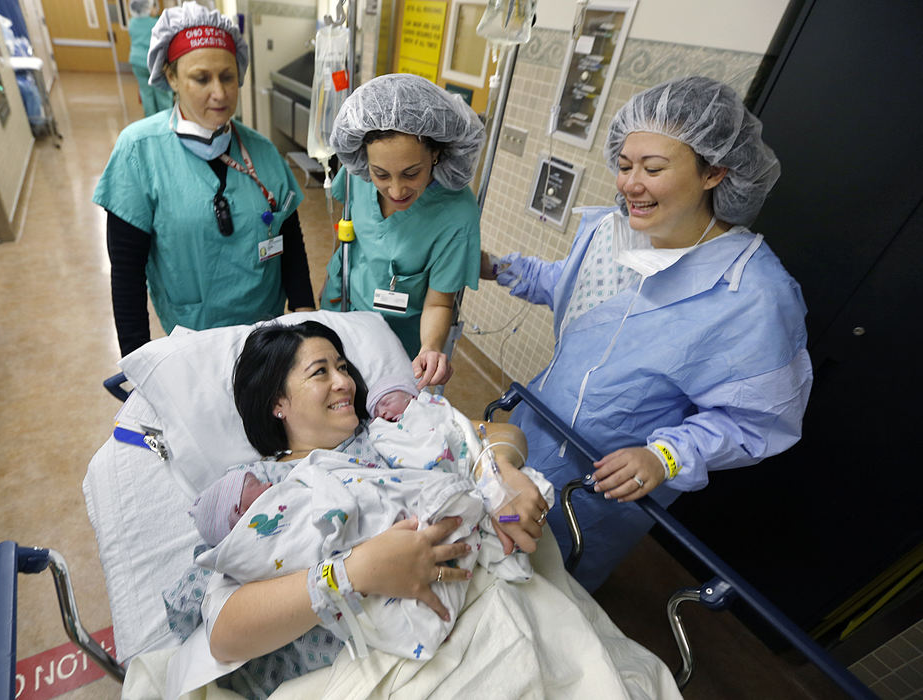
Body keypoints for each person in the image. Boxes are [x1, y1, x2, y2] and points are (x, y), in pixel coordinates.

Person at [481, 76, 813, 592]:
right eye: (625, 164)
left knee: (542, 587)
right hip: (530, 429)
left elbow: (757, 419)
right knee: (482, 544)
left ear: (714, 172)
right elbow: (575, 289)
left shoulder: (753, 294)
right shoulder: (613, 231)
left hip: (603, 485)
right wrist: (497, 267)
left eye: (653, 169)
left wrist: (665, 456)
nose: (630, 184)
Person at [182, 321, 548, 697]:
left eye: (342, 367)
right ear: (278, 403)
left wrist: (497, 475)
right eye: (320, 372)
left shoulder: (389, 426)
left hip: (472, 611)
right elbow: (225, 634)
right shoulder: (254, 487)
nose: (344, 382)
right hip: (366, 664)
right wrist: (355, 571)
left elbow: (497, 434)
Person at [94, 1, 315, 357]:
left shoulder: (262, 151)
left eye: (228, 77)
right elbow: (126, 271)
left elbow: (290, 238)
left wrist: (305, 313)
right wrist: (137, 359)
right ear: (171, 77)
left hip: (264, 335)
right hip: (190, 338)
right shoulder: (139, 152)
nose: (220, 92)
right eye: (202, 78)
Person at [321, 73, 485, 389]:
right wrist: (331, 285)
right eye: (381, 174)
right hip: (342, 308)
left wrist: (431, 348)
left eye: (411, 173)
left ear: (435, 154)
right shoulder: (357, 178)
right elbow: (347, 237)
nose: (395, 190)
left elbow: (439, 302)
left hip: (402, 342)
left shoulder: (456, 213)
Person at [127, 0, 172, 117]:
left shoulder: (132, 23)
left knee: (146, 93)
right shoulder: (156, 23)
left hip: (137, 62)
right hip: (154, 63)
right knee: (162, 92)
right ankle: (165, 120)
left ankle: (151, 119)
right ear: (148, 8)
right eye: (153, 6)